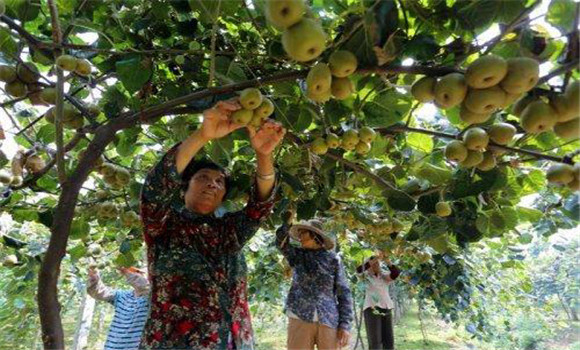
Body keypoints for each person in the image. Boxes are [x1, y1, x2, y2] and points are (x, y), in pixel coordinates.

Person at [139, 99, 285, 350]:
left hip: (234, 341)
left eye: (220, 182)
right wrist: (203, 135)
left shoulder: (230, 231)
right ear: (183, 188)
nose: (213, 184)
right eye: (203, 178)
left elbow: (260, 206)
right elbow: (155, 189)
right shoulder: (163, 225)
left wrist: (264, 155)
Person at [276, 215, 354, 350]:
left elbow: (344, 293)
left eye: (303, 233)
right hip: (299, 316)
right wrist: (287, 223)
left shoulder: (333, 260)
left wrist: (345, 325)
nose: (299, 237)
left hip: (328, 319)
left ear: (316, 236)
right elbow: (280, 243)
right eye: (298, 234)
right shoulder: (297, 256)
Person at [87, 267, 150, 350]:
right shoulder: (121, 295)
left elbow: (143, 285)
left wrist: (125, 270)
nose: (135, 274)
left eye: (139, 272)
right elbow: (99, 292)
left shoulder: (150, 298)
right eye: (134, 271)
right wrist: (94, 279)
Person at [357, 254, 401, 350]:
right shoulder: (365, 276)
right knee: (375, 341)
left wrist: (388, 261)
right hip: (371, 309)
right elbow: (359, 270)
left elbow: (395, 273)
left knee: (389, 339)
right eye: (373, 264)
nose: (376, 265)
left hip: (386, 308)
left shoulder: (384, 275)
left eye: (378, 263)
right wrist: (372, 260)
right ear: (369, 265)